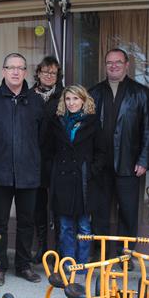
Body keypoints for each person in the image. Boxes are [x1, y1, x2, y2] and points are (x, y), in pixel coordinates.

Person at [0, 53, 44, 286]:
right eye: (10, 67)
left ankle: (23, 265)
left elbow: (43, 140)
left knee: (27, 221)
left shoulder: (36, 101)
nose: (15, 72)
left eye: (20, 68)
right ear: (3, 71)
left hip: (29, 174)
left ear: (26, 72)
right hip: (1, 173)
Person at [89, 48, 149, 263]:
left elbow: (148, 129)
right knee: (99, 211)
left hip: (129, 163)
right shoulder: (94, 92)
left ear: (127, 64)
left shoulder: (140, 92)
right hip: (100, 164)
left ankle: (125, 255)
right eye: (109, 62)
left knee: (127, 212)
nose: (114, 66)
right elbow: (87, 129)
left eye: (118, 62)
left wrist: (144, 160)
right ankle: (99, 253)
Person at [43, 85, 105, 268]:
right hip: (62, 181)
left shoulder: (93, 122)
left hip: (84, 182)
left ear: (84, 101)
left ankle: (82, 265)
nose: (71, 103)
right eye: (68, 99)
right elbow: (47, 150)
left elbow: (102, 152)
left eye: (76, 99)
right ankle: (68, 265)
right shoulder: (56, 121)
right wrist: (52, 172)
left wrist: (91, 171)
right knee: (65, 227)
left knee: (84, 227)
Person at [30, 56, 64, 263]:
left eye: (53, 73)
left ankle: (59, 250)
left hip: (58, 159)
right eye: (45, 72)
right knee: (37, 207)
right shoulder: (29, 96)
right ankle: (41, 247)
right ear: (38, 74)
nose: (49, 76)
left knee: (60, 206)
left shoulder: (64, 96)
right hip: (34, 160)